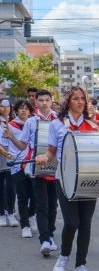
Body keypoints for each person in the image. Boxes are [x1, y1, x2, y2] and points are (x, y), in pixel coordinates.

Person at [35, 86, 99, 271]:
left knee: (85, 223)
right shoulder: (57, 124)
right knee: (72, 222)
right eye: (75, 98)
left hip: (89, 179)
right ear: (67, 101)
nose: (80, 102)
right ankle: (63, 257)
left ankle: (81, 265)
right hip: (65, 179)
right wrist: (44, 156)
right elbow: (52, 152)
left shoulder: (92, 125)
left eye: (82, 99)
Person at [6, 90, 59, 254]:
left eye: (47, 100)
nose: (44, 103)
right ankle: (44, 240)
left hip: (55, 169)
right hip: (36, 167)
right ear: (36, 102)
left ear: (51, 101)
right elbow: (22, 146)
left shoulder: (58, 120)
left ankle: (50, 234)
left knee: (53, 205)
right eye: (41, 100)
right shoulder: (31, 122)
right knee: (41, 204)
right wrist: (12, 137)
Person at [6, 100, 37, 238]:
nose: (23, 111)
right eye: (21, 108)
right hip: (17, 164)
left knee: (35, 195)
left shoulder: (35, 124)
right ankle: (25, 225)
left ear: (30, 111)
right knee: (23, 196)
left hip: (33, 163)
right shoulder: (10, 126)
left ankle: (31, 215)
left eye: (26, 108)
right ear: (16, 110)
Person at [0, 99, 17, 228]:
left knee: (11, 187)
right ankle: (1, 214)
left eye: (7, 106)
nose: (5, 109)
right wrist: (5, 153)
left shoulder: (14, 123)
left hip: (13, 157)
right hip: (2, 157)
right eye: (2, 106)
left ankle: (11, 212)